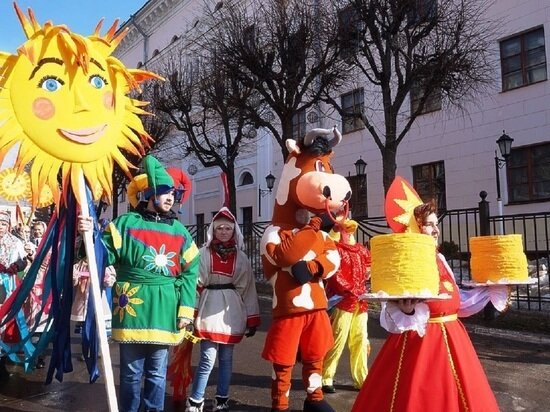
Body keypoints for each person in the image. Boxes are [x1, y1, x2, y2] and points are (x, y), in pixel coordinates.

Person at [351, 200, 508, 412]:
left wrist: (491, 290)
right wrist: (406, 311)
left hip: (454, 338)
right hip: (420, 342)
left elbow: (456, 302)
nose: (436, 230)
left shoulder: (441, 259)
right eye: (429, 225)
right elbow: (390, 310)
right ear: (415, 228)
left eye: (436, 224)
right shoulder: (408, 262)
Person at [78, 155, 200, 412]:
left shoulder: (180, 231)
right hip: (132, 305)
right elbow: (101, 255)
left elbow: (190, 272)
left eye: (173, 194)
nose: (170, 198)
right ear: (149, 193)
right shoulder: (125, 224)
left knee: (156, 373)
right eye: (165, 193)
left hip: (165, 307)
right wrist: (87, 235)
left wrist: (186, 311)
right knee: (131, 374)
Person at [185, 207, 260, 412]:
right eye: (220, 228)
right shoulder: (203, 254)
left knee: (227, 359)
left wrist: (252, 318)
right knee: (207, 358)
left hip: (231, 313)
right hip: (209, 308)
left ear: (234, 231)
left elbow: (248, 288)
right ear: (213, 231)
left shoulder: (242, 257)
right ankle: (196, 399)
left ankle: (222, 398)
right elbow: (194, 286)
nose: (224, 231)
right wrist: (190, 312)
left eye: (228, 228)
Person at [321, 218, 371, 393]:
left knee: (361, 340)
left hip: (360, 302)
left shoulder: (361, 251)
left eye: (351, 229)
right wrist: (348, 289)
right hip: (343, 301)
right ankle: (326, 377)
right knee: (338, 339)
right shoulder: (336, 250)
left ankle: (362, 378)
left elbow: (371, 266)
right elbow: (334, 274)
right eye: (345, 229)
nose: (349, 232)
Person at [0, 211, 31, 381]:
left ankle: (2, 361)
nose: (0, 226)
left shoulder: (15, 242)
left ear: (8, 226)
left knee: (5, 323)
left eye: (3, 223)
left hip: (8, 286)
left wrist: (17, 265)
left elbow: (24, 262)